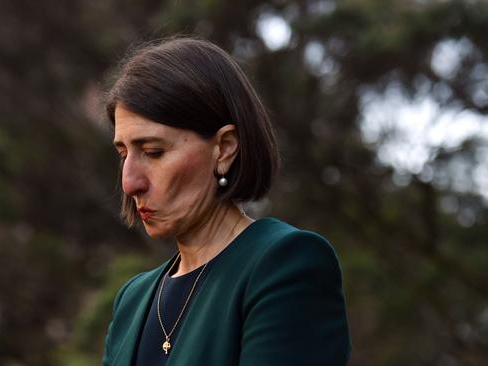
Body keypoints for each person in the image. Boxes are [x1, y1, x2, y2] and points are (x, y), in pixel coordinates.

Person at [102, 37, 351, 366]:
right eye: (124, 154)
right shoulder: (132, 300)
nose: (129, 182)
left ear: (225, 148)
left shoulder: (285, 266)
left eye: (153, 152)